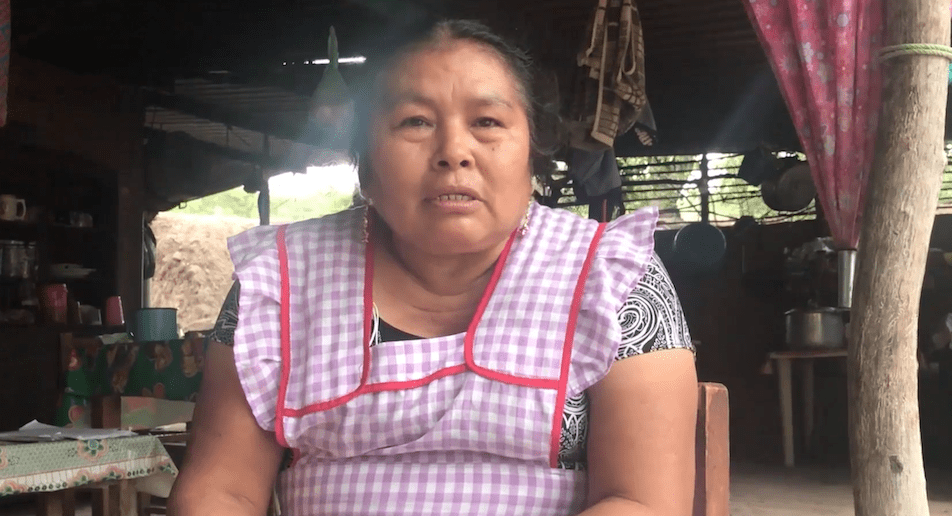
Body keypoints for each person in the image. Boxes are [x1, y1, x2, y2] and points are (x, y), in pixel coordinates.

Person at [167, 18, 698, 516]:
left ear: (533, 155)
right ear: (365, 166)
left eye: (487, 121)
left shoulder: (615, 277)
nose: (454, 152)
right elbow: (221, 490)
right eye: (415, 122)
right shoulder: (278, 282)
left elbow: (641, 501)